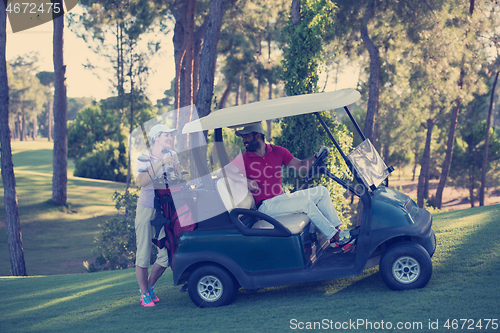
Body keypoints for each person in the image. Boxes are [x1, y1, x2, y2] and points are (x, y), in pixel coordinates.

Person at [218, 122, 354, 250]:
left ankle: (337, 231)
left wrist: (315, 158)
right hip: (266, 207)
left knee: (322, 191)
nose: (243, 141)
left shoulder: (278, 151)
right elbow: (222, 173)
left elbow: (300, 166)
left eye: (246, 136)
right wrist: (245, 181)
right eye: (242, 137)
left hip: (281, 199)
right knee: (306, 203)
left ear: (258, 135)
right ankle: (334, 237)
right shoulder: (245, 158)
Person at [135, 124, 181, 307]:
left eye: (171, 136)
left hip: (166, 209)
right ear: (156, 137)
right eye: (166, 135)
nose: (170, 138)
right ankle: (144, 294)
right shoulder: (144, 157)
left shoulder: (173, 154)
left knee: (165, 254)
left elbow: (178, 178)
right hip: (147, 208)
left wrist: (173, 165)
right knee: (144, 253)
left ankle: (149, 287)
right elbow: (143, 182)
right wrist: (161, 162)